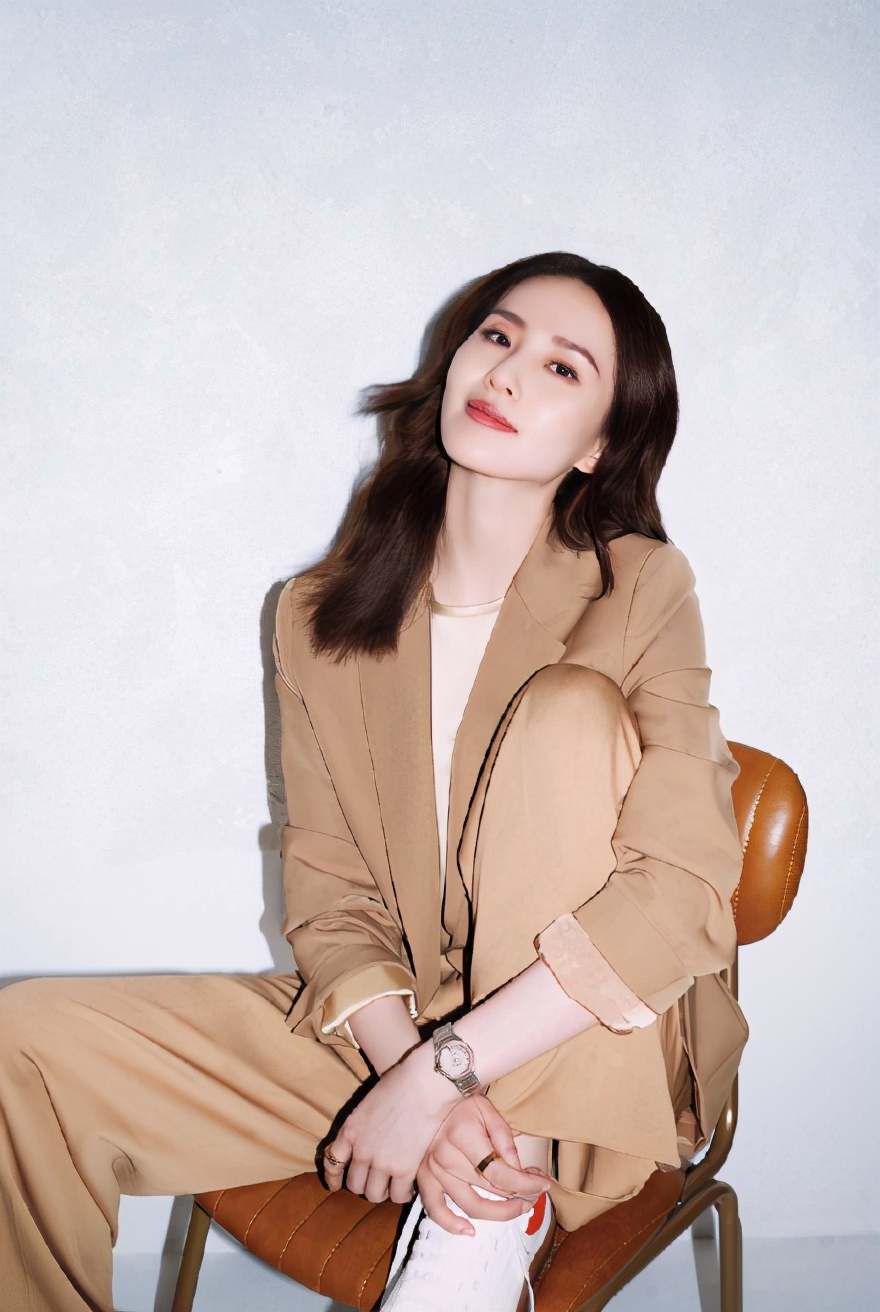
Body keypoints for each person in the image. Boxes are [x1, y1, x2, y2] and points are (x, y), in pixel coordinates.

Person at [0, 252, 747, 1312]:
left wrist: (443, 1077)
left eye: (561, 366)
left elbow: (680, 888)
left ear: (598, 445)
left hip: (588, 1054)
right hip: (392, 1035)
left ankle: (493, 1214)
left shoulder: (639, 587)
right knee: (24, 1045)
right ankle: (476, 1151)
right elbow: (330, 893)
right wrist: (413, 1076)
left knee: (566, 714)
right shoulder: (315, 617)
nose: (507, 371)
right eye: (497, 336)